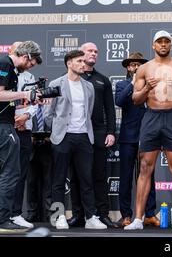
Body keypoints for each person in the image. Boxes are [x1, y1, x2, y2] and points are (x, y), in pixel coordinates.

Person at [128, 30, 172, 231]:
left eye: (167, 41)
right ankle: (138, 219)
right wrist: (146, 89)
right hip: (151, 117)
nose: (164, 45)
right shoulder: (145, 69)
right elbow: (135, 99)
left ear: (171, 45)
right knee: (145, 168)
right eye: (160, 42)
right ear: (154, 45)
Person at [44, 50, 107, 230]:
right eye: (79, 61)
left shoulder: (89, 87)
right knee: (58, 179)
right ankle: (59, 217)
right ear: (69, 63)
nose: (83, 64)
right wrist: (56, 132)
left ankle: (90, 217)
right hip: (63, 137)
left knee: (86, 179)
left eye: (83, 61)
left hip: (84, 137)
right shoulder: (56, 84)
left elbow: (89, 112)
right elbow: (49, 114)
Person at [0, 40, 42, 232]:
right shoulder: (4, 65)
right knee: (10, 173)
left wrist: (29, 99)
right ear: (26, 56)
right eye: (31, 63)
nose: (30, 67)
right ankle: (3, 220)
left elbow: (4, 101)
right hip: (0, 128)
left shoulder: (10, 69)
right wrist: (25, 93)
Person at [68, 42, 117, 228]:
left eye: (96, 51)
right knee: (77, 176)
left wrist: (111, 132)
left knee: (98, 174)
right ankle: (78, 214)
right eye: (90, 51)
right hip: (76, 132)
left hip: (97, 132)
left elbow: (110, 109)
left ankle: (102, 214)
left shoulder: (102, 80)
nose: (94, 54)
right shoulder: (70, 79)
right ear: (80, 54)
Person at [116, 52, 159, 228]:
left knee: (149, 176)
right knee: (125, 177)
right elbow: (119, 101)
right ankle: (126, 215)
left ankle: (149, 214)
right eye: (133, 65)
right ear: (128, 67)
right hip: (127, 138)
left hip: (148, 137)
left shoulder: (152, 86)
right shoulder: (122, 84)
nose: (136, 68)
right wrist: (133, 84)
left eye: (139, 65)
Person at [9, 42, 39, 229]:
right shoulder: (4, 72)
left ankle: (15, 213)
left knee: (20, 173)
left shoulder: (30, 76)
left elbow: (35, 101)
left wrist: (26, 116)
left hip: (25, 129)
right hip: (6, 129)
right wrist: (13, 120)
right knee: (4, 174)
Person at [25, 100, 53, 223]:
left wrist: (51, 136)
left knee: (49, 183)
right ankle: (31, 213)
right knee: (31, 183)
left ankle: (50, 213)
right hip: (31, 149)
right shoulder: (28, 109)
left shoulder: (50, 107)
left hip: (48, 148)